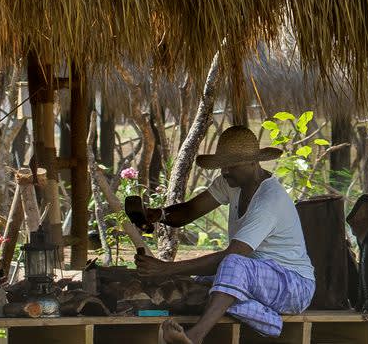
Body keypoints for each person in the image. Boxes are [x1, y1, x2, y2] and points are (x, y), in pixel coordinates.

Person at [129, 126, 316, 341]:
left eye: (231, 166)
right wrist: (158, 214)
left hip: (294, 287)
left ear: (254, 163)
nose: (224, 172)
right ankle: (269, 320)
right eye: (222, 166)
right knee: (202, 283)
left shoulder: (269, 200)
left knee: (231, 265)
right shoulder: (231, 183)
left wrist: (167, 269)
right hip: (259, 282)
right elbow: (189, 212)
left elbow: (233, 256)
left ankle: (195, 337)